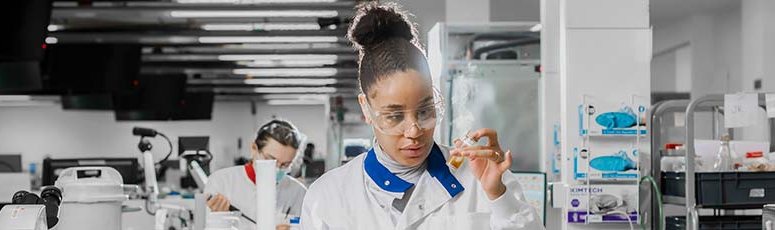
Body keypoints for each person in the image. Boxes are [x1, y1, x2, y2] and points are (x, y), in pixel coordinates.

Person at [300, 3, 543, 229]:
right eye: (395, 116)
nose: (414, 131)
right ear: (366, 109)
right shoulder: (328, 196)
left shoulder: (481, 179)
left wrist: (498, 196)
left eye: (425, 110)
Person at [205, 120, 308, 230]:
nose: (277, 169)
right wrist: (220, 220)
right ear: (254, 148)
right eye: (270, 159)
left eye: (285, 164)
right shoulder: (221, 182)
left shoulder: (298, 192)